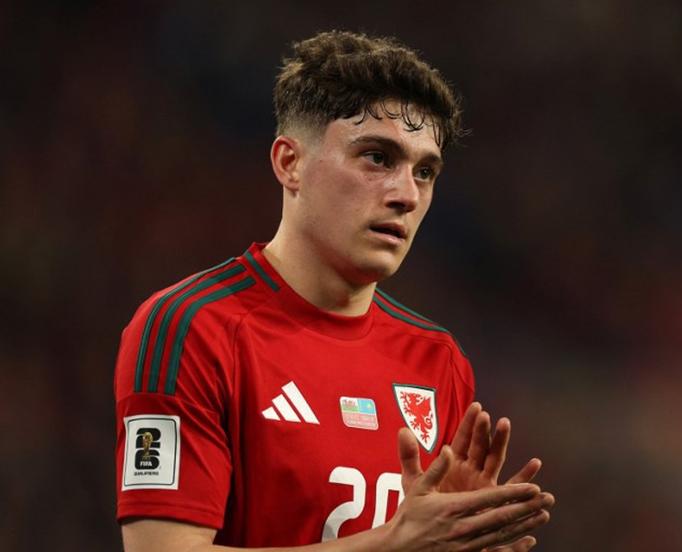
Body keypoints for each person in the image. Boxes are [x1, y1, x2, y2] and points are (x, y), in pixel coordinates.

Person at [114, 30, 554, 551]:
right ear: (289, 163)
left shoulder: (436, 359)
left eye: (426, 171)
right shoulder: (191, 329)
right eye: (377, 157)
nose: (407, 195)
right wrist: (392, 544)